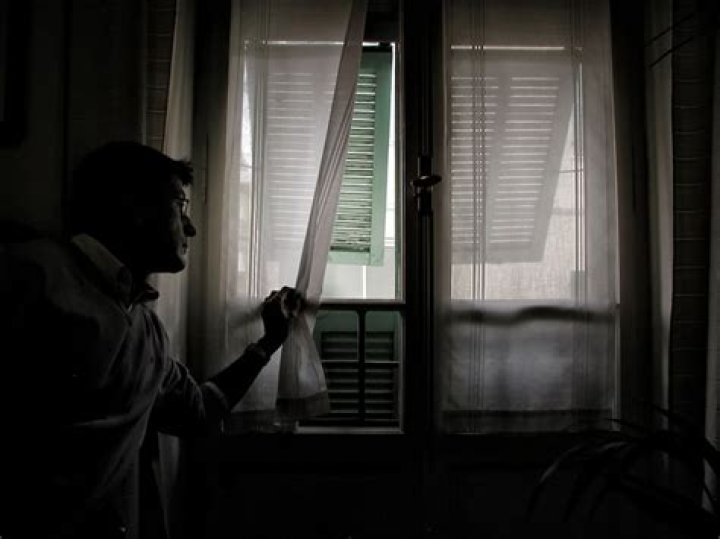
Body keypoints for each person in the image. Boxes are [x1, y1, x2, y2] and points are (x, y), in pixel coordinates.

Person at [0, 141, 301, 538]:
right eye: (180, 205)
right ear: (135, 206)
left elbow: (198, 410)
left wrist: (269, 343)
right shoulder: (32, 273)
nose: (191, 228)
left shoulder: (147, 332)